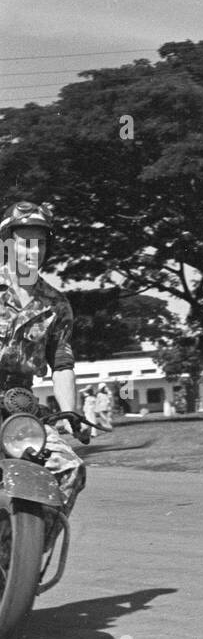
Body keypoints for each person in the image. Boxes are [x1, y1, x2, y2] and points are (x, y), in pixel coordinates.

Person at [0, 200, 85, 512]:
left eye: (41, 242)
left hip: (18, 408)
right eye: (25, 242)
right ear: (7, 244)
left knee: (69, 469)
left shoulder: (57, 304)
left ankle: (27, 554)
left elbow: (62, 363)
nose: (33, 250)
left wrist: (70, 412)